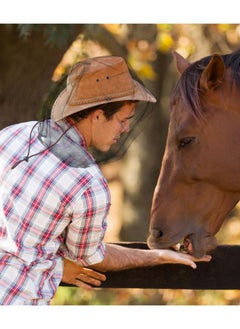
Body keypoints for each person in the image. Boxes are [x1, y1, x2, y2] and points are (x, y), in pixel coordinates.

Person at [0, 55, 211, 305]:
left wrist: (53, 264)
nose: (125, 129)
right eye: (122, 120)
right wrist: (158, 256)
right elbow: (91, 258)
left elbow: (20, 237)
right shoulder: (88, 184)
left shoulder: (14, 134)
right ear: (98, 116)